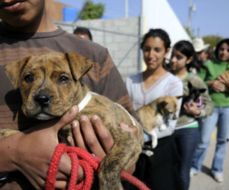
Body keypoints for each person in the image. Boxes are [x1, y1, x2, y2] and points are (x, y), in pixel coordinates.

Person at [0, 0, 137, 189]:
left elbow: (133, 138)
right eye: (29, 78)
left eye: (62, 78)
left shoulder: (95, 56)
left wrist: (118, 167)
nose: (42, 94)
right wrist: (12, 153)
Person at [125, 28, 183, 190]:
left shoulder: (173, 83)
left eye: (157, 49)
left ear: (166, 52)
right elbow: (126, 112)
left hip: (161, 148)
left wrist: (138, 135)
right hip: (134, 150)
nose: (151, 55)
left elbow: (170, 125)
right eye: (147, 49)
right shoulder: (131, 80)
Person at [191, 38, 229, 183]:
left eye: (227, 50)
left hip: (228, 108)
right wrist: (210, 83)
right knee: (203, 140)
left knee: (222, 141)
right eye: (221, 49)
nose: (224, 52)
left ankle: (217, 169)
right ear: (217, 50)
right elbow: (197, 83)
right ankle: (195, 166)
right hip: (211, 106)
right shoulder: (209, 64)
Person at [169, 40, 213, 190]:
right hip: (166, 130)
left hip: (187, 128)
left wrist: (198, 111)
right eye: (172, 55)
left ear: (188, 60)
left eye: (179, 57)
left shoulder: (193, 80)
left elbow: (208, 104)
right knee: (167, 172)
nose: (173, 60)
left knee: (182, 172)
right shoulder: (164, 77)